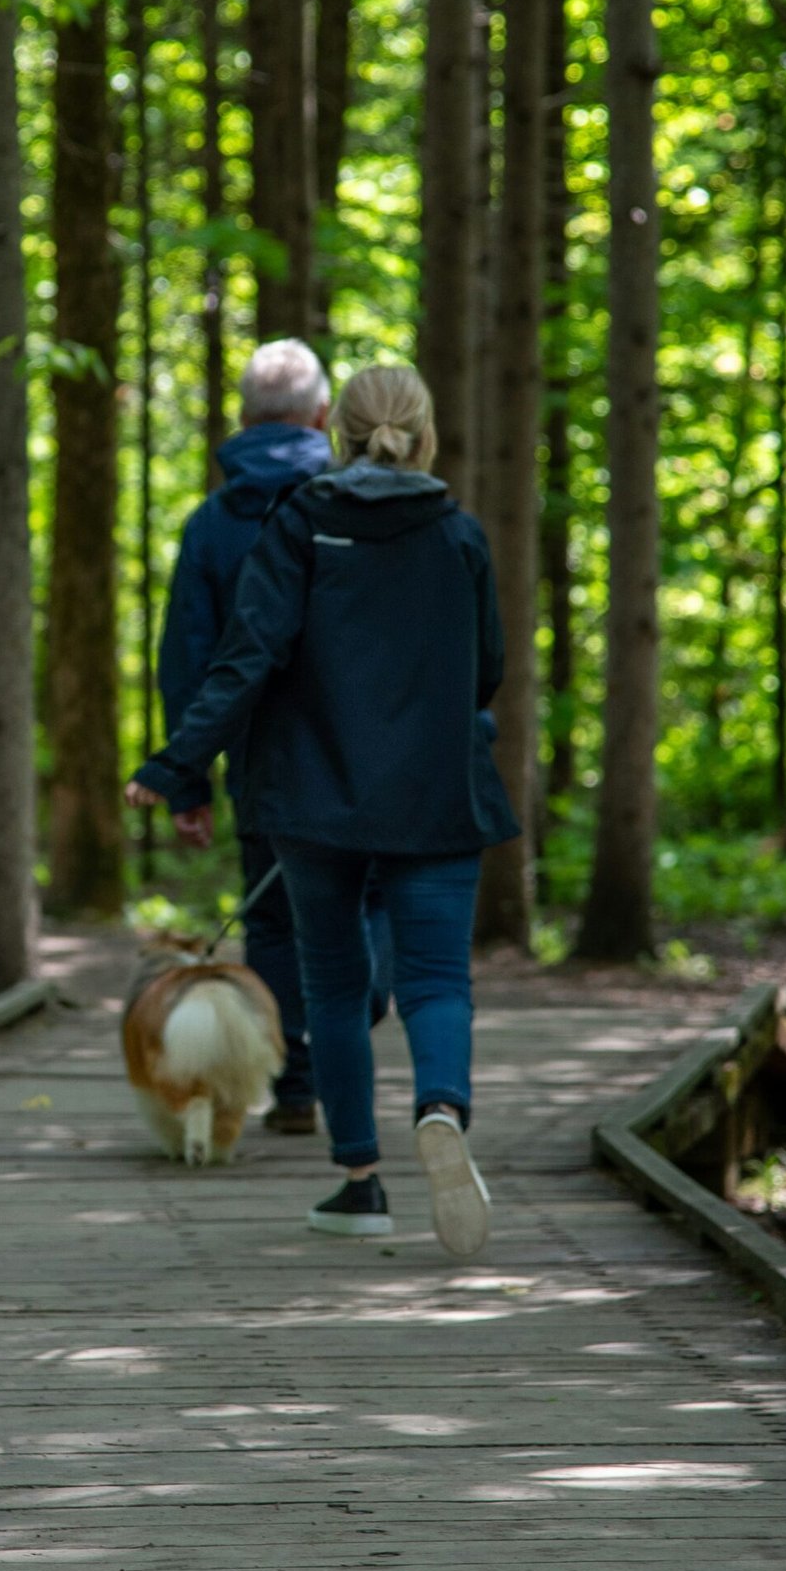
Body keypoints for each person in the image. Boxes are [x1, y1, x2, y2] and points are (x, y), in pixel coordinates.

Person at [128, 363, 518, 1257]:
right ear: (423, 433)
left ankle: (358, 1182)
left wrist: (175, 765)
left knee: (336, 987)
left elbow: (245, 659)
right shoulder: (458, 535)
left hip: (314, 800)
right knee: (436, 981)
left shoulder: (297, 526)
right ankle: (441, 1110)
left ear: (335, 433)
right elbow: (486, 667)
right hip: (439, 796)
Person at [156, 339, 334, 1133]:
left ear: (241, 417)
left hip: (260, 761)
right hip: (360, 756)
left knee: (272, 922)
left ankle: (295, 1087)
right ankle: (336, 1050)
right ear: (322, 415)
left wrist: (186, 782)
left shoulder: (210, 526)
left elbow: (186, 657)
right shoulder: (356, 504)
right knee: (358, 903)